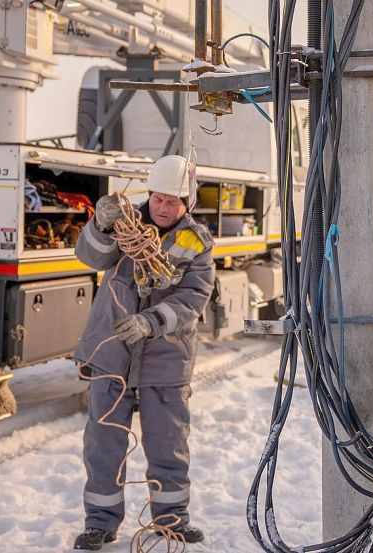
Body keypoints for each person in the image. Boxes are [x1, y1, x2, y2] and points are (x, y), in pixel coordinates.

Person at [72, 155, 215, 550]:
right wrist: (100, 224)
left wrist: (150, 322)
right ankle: (99, 523)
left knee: (168, 443)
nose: (163, 208)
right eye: (158, 199)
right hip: (112, 356)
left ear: (188, 202)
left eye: (173, 201)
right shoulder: (123, 225)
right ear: (148, 195)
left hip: (165, 361)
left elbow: (193, 297)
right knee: (103, 444)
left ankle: (171, 520)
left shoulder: (195, 242)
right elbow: (90, 256)